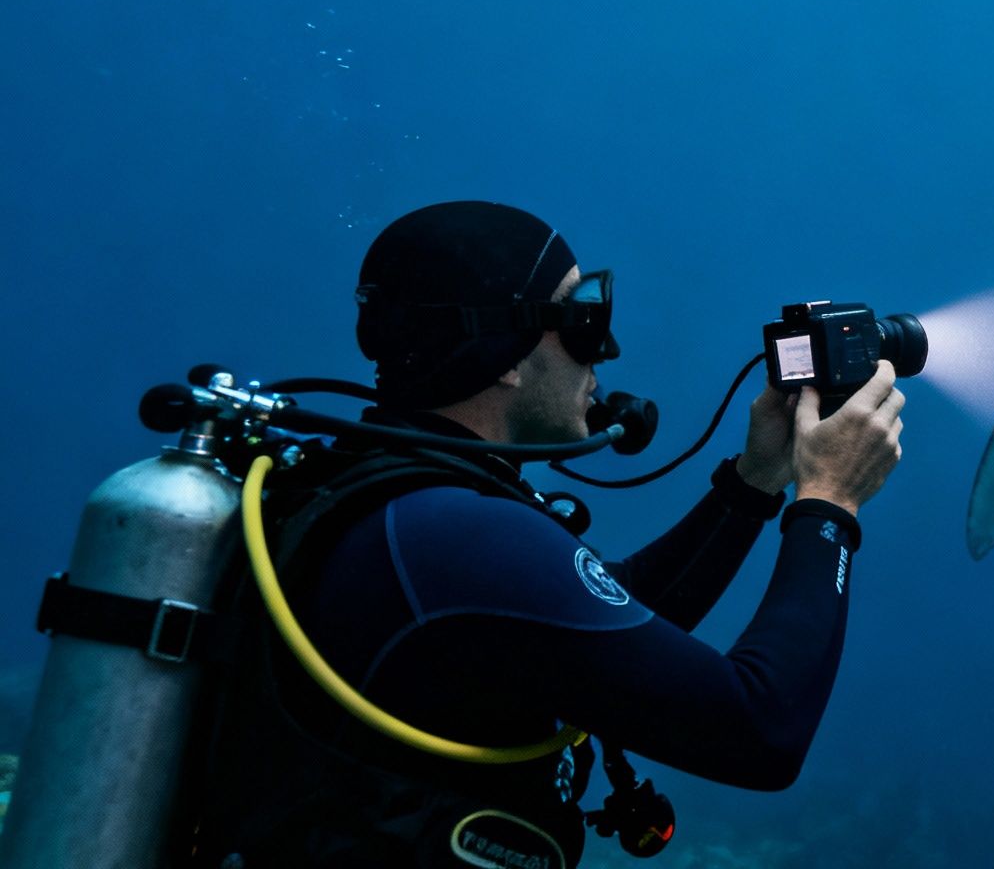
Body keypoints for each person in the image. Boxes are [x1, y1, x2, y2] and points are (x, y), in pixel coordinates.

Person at [187, 200, 905, 868]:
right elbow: (762, 731)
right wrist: (830, 504)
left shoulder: (405, 508)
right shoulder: (459, 536)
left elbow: (607, 629)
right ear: (502, 355)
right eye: (582, 319)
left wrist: (755, 482)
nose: (606, 349)